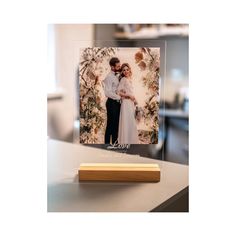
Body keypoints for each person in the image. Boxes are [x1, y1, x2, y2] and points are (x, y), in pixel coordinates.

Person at [117, 63, 139, 144]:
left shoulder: (129, 79)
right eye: (124, 70)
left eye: (127, 69)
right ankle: (126, 142)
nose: (126, 71)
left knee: (131, 122)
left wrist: (134, 99)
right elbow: (118, 92)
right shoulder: (123, 79)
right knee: (127, 122)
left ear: (129, 70)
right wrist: (129, 96)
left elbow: (130, 92)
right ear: (122, 72)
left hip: (130, 104)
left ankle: (131, 141)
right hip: (126, 104)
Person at [103, 57, 122, 144]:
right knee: (110, 125)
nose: (119, 68)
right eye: (118, 66)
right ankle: (106, 145)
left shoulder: (118, 75)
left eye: (119, 66)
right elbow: (107, 93)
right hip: (111, 103)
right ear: (112, 67)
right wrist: (119, 97)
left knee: (116, 126)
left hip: (117, 103)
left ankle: (115, 144)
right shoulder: (109, 77)